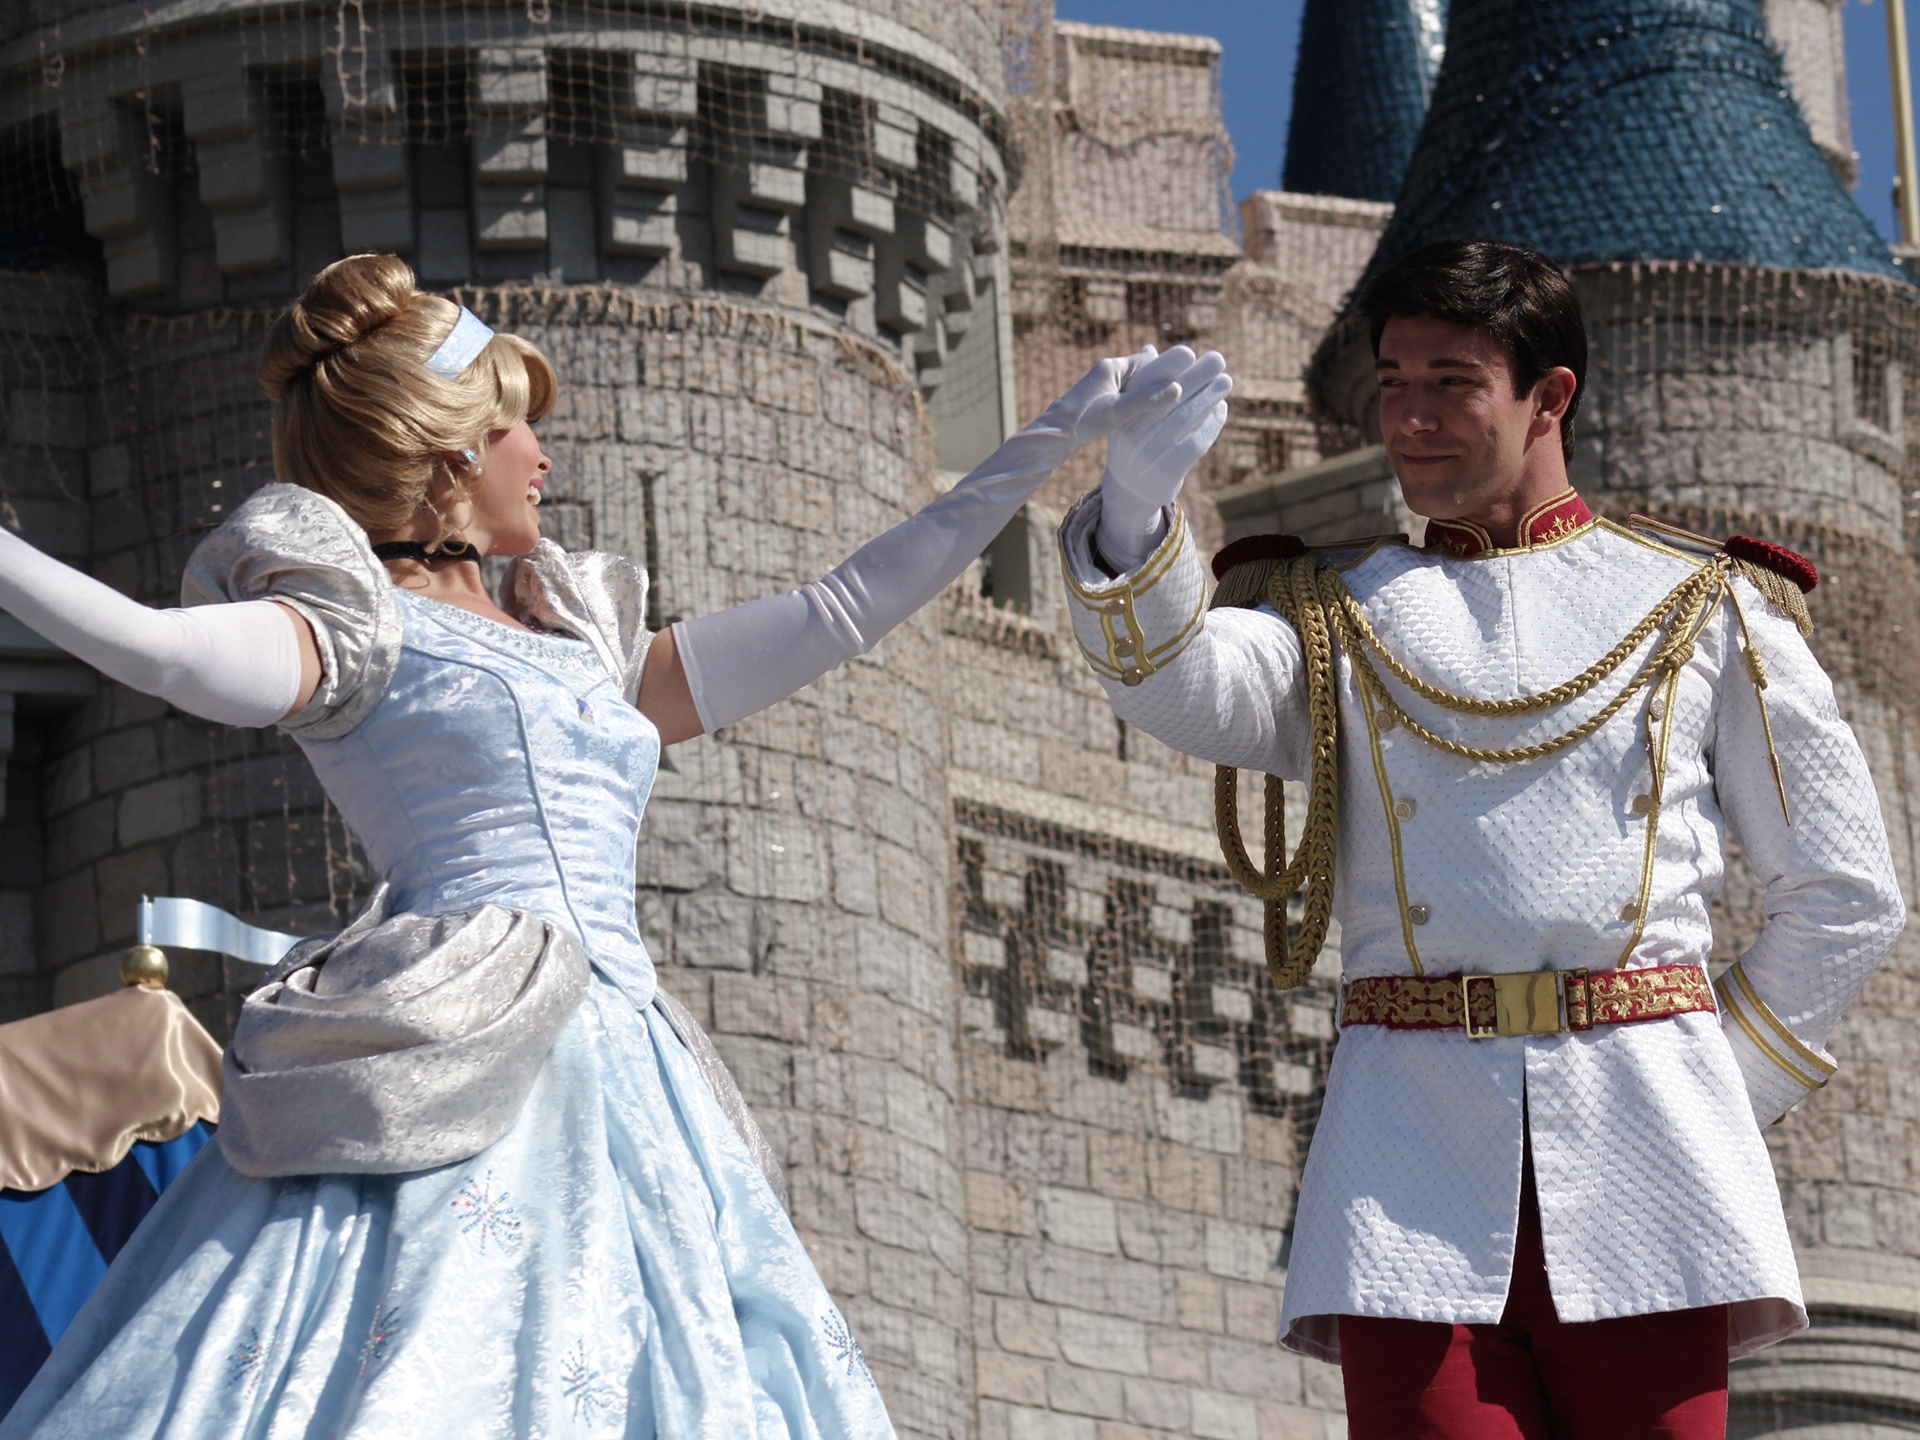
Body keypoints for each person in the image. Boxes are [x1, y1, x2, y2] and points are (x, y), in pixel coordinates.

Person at [0, 253, 1231, 1439]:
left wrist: (1052, 442)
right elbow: (158, 651)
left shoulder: (581, 645)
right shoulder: (356, 635)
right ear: (453, 458)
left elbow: (842, 610)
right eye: (517, 429)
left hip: (629, 1053)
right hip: (444, 1049)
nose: (543, 456)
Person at [1056, 237, 1904, 1439]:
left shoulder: (1705, 605)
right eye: (1393, 384)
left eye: (1451, 383)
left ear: (1549, 397)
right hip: (1409, 1164)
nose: (1410, 419)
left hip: (1648, 1157)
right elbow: (1179, 685)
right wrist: (1134, 520)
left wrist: (1719, 1087)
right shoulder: (1337, 611)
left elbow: (1848, 893)